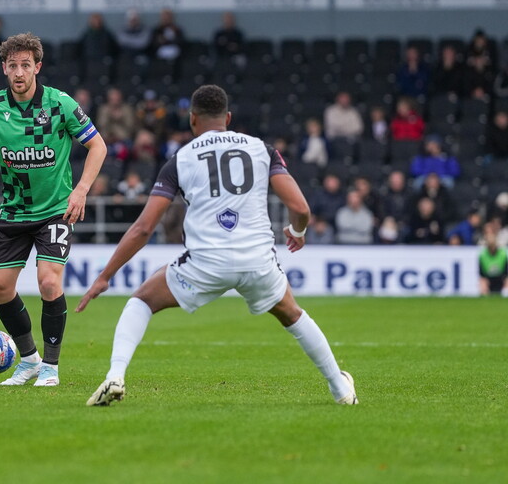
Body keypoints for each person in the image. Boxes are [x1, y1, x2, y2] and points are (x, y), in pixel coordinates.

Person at [77, 84, 356, 408]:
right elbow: (301, 207)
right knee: (293, 314)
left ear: (192, 119)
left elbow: (143, 228)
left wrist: (105, 276)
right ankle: (340, 388)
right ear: (228, 118)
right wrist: (297, 230)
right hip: (257, 260)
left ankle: (115, 376)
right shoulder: (261, 149)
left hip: (206, 263)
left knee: (141, 300)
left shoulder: (180, 159)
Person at [0, 32, 107, 388]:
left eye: (25, 65)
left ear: (38, 67)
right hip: (14, 211)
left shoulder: (60, 104)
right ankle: (30, 360)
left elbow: (98, 146)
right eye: (13, 65)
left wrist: (81, 190)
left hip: (55, 210)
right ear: (4, 68)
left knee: (49, 282)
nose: (19, 72)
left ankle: (51, 366)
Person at [478, 229, 508, 296]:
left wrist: (505, 280)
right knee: (482, 283)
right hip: (488, 279)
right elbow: (481, 273)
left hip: (500, 278)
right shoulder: (483, 255)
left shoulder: (502, 254)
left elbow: (506, 271)